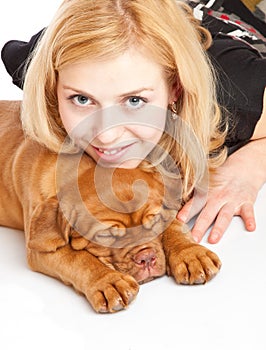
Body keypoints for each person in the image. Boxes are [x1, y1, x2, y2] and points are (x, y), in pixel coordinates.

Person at [1, 0, 266, 243]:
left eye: (134, 101)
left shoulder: (234, 94)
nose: (106, 136)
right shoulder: (40, 65)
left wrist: (250, 164)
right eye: (82, 100)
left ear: (175, 89)